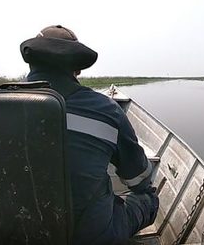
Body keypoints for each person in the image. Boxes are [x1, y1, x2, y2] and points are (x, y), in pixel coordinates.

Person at [20, 25, 159, 244]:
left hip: (14, 233)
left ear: (31, 60)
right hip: (90, 237)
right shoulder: (105, 110)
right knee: (148, 198)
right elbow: (137, 178)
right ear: (76, 68)